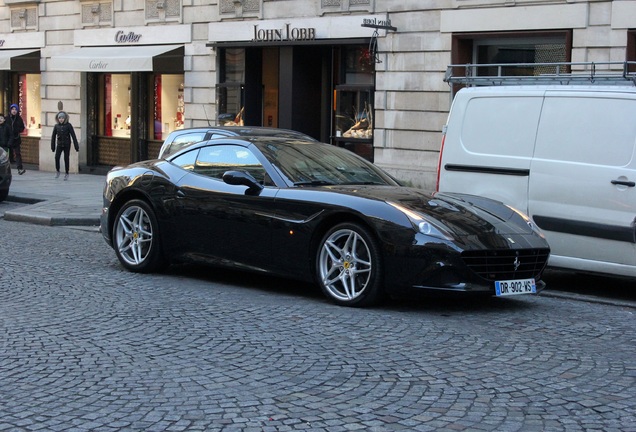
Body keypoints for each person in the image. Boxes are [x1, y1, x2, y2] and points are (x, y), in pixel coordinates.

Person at [51, 111, 79, 180]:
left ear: (65, 118)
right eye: (60, 118)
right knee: (56, 157)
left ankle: (67, 172)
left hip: (67, 144)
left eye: (62, 118)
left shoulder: (68, 125)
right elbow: (53, 137)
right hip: (59, 144)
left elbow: (73, 136)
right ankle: (58, 170)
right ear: (58, 119)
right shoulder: (56, 126)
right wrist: (53, 146)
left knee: (66, 158)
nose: (61, 119)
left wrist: (76, 146)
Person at [8, 104, 26, 175]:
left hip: (16, 138)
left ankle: (19, 168)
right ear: (10, 110)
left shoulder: (19, 118)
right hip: (9, 139)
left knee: (18, 153)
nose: (14, 111)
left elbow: (22, 128)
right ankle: (7, 169)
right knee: (8, 154)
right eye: (13, 109)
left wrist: (17, 130)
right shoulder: (7, 118)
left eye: (15, 109)